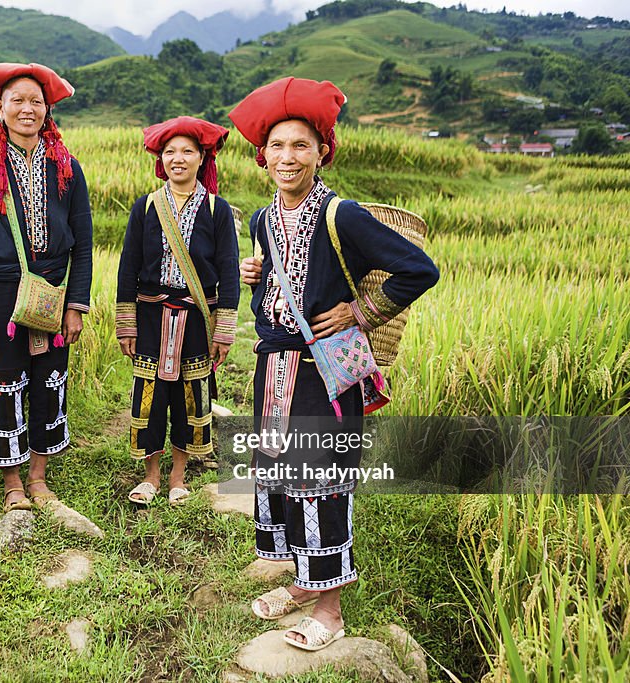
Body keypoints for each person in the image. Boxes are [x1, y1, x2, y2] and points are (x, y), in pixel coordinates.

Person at [228, 77, 439, 650]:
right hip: (274, 370)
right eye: (277, 146)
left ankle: (330, 610)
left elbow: (418, 269)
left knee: (322, 481)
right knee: (281, 474)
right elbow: (279, 292)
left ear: (323, 152)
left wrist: (361, 311)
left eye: (301, 145)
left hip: (326, 374)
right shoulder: (261, 221)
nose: (287, 157)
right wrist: (258, 279)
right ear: (261, 155)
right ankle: (301, 583)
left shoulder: (340, 215)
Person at [0, 63, 93, 512]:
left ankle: (38, 474)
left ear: (47, 112)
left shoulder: (67, 170)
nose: (27, 109)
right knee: (4, 379)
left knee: (49, 379)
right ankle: (12, 480)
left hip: (53, 293)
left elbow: (85, 243)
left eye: (36, 101)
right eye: (17, 100)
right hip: (1, 294)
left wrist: (75, 304)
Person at [116, 116, 240, 505]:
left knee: (189, 396)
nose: (178, 158)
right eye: (170, 152)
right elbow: (128, 267)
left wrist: (224, 330)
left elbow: (229, 272)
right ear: (161, 159)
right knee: (151, 397)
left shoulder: (218, 211)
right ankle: (150, 476)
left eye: (187, 151)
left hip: (197, 319)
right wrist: (126, 324)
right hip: (151, 316)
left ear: (202, 157)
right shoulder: (146, 207)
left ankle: (178, 475)